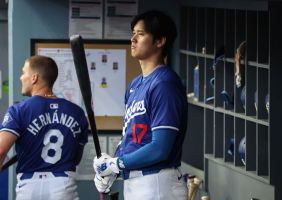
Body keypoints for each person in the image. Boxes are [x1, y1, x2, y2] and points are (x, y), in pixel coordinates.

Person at [93, 10, 188, 200]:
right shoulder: (135, 85)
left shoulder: (164, 84)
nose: (133, 39)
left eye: (141, 34)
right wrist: (111, 168)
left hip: (158, 182)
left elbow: (160, 148)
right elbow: (131, 137)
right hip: (136, 182)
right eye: (133, 33)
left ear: (160, 41)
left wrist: (118, 163)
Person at [0, 55, 88, 200]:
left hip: (29, 187)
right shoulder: (77, 112)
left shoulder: (19, 110)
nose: (21, 77)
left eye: (24, 73)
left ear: (34, 78)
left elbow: (1, 150)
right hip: (63, 186)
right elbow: (76, 158)